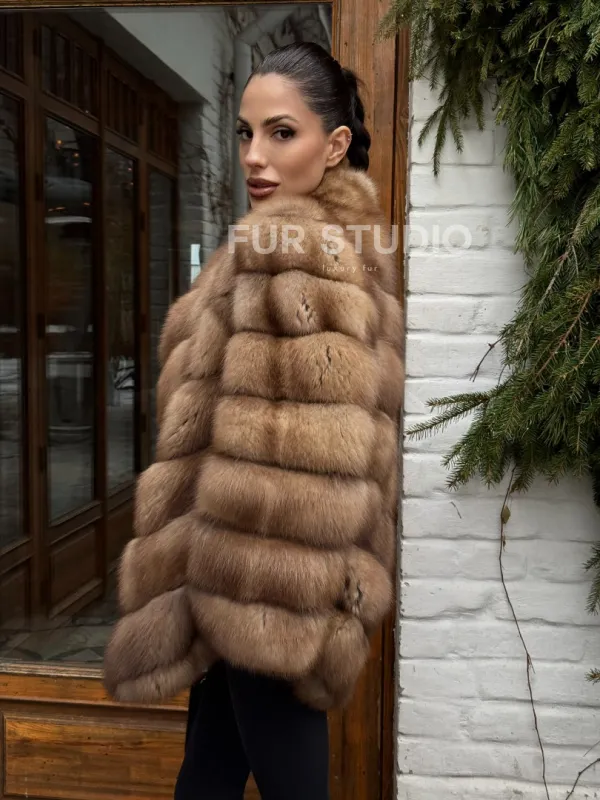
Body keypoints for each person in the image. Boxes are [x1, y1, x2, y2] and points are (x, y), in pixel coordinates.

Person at [103, 41, 403, 800]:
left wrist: (241, 591)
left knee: (270, 774)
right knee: (207, 771)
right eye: (246, 132)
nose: (254, 156)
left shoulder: (287, 251)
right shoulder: (349, 240)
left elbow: (299, 454)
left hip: (257, 583)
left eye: (281, 132)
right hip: (271, 580)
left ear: (334, 144)